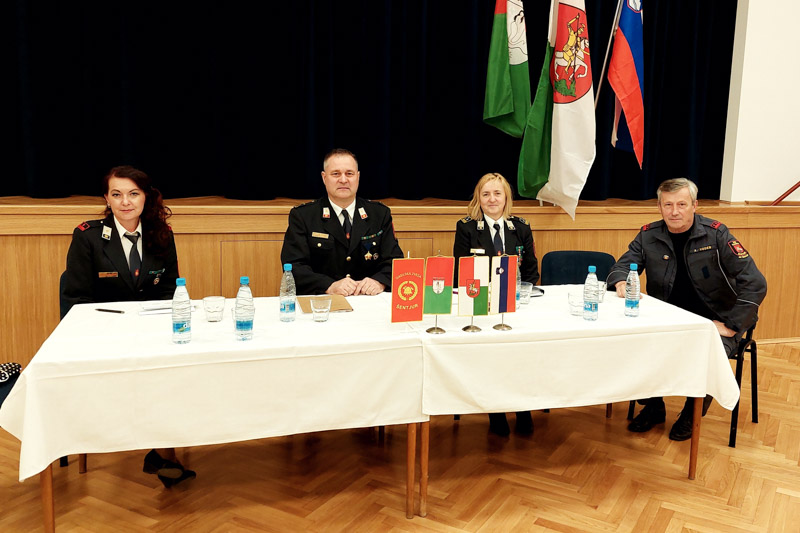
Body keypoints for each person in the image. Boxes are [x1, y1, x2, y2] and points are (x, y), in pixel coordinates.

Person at [60, 165, 194, 487]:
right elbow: (76, 300)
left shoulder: (162, 234)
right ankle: (164, 454)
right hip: (103, 335)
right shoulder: (88, 236)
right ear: (106, 199)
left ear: (146, 197)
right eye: (117, 194)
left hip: (151, 332)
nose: (125, 202)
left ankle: (163, 451)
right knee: (149, 374)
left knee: (175, 370)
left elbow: (169, 291)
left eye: (133, 193)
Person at [607, 178, 767, 441]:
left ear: (695, 205)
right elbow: (622, 265)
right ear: (659, 207)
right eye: (668, 205)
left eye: (681, 204)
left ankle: (691, 412)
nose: (674, 211)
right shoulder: (648, 235)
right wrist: (621, 281)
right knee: (639, 343)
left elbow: (755, 283)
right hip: (669, 319)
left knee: (706, 352)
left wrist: (732, 325)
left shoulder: (716, 234)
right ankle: (654, 406)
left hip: (716, 320)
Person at [453, 172, 540, 436]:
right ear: (478, 198)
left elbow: (531, 272)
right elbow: (460, 272)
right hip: (482, 306)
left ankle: (523, 408)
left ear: (506, 198)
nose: (492, 199)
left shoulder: (520, 227)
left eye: (497, 194)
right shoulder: (467, 228)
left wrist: (520, 296)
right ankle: (496, 411)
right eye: (486, 194)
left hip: (515, 306)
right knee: (492, 357)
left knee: (522, 356)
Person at [280, 148, 404, 296]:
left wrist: (379, 281)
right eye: (336, 174)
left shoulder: (379, 214)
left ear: (358, 177)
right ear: (324, 178)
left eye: (349, 173)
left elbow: (395, 261)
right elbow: (293, 266)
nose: (343, 180)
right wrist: (329, 286)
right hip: (323, 300)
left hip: (368, 299)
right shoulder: (303, 216)